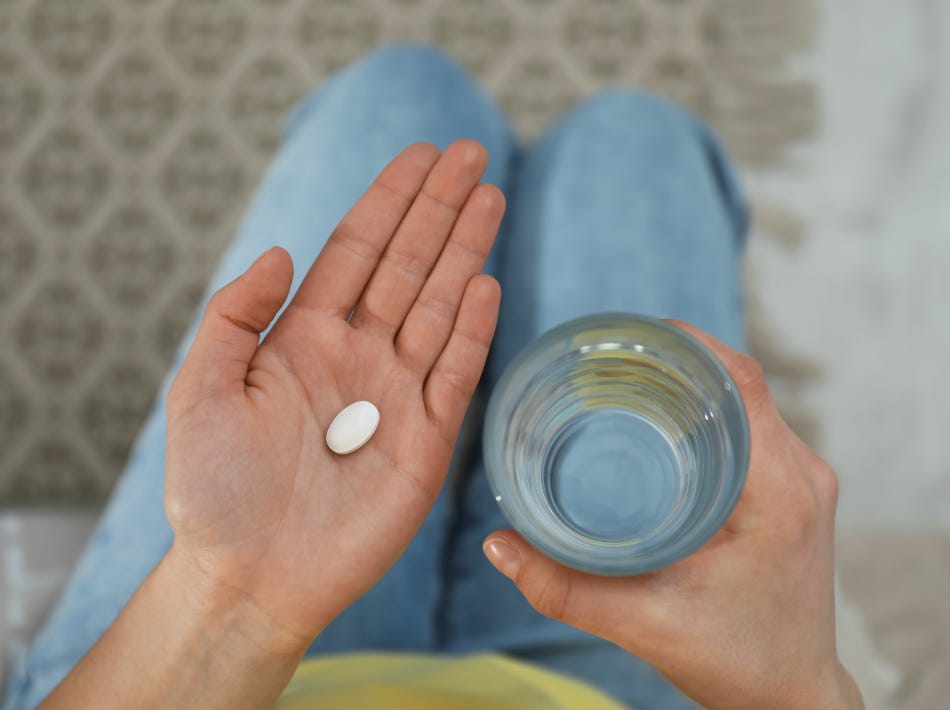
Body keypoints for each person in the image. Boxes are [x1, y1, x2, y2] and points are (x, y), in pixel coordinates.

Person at [3, 43, 863, 709]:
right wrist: (796, 689)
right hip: (596, 695)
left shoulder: (234, 592)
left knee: (403, 90)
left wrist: (232, 592)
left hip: (203, 663)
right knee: (638, 134)